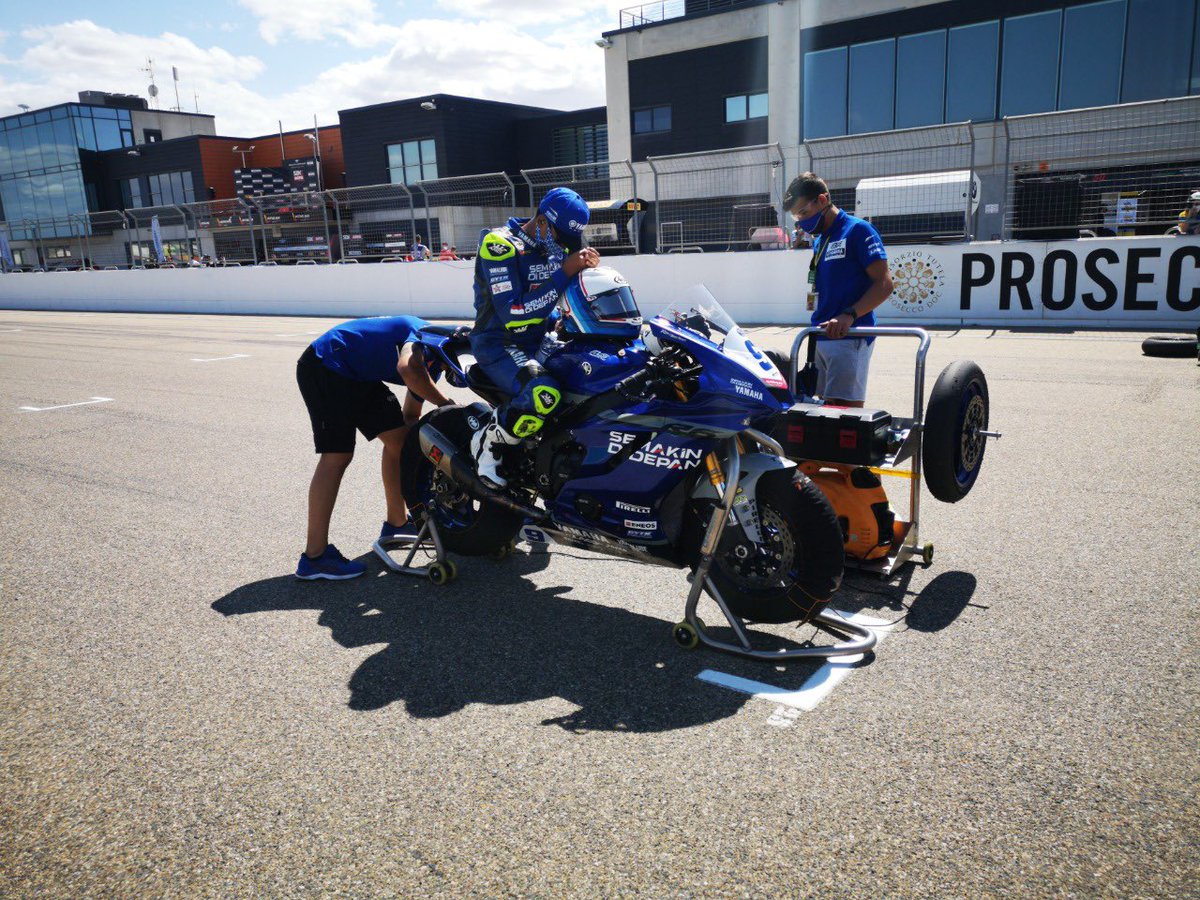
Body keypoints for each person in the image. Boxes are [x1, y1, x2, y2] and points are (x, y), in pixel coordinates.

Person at [295, 315, 454, 579]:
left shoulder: (432, 365)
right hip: (325, 364)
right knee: (337, 456)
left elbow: (410, 417)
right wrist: (444, 404)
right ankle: (315, 557)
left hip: (355, 373)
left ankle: (396, 523)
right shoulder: (422, 334)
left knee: (400, 441)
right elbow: (406, 368)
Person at [469, 187, 598, 489]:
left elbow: (569, 295)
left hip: (543, 339)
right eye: (560, 238)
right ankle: (488, 443)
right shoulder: (499, 245)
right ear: (541, 221)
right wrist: (565, 270)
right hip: (500, 343)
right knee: (544, 393)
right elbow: (513, 313)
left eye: (571, 243)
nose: (565, 248)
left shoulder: (560, 246)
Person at [782, 172, 893, 408]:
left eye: (803, 212)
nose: (801, 222)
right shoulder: (821, 239)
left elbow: (884, 284)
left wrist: (849, 315)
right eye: (796, 217)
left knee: (844, 414)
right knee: (819, 412)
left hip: (850, 336)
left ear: (822, 200)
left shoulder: (859, 231)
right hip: (820, 335)